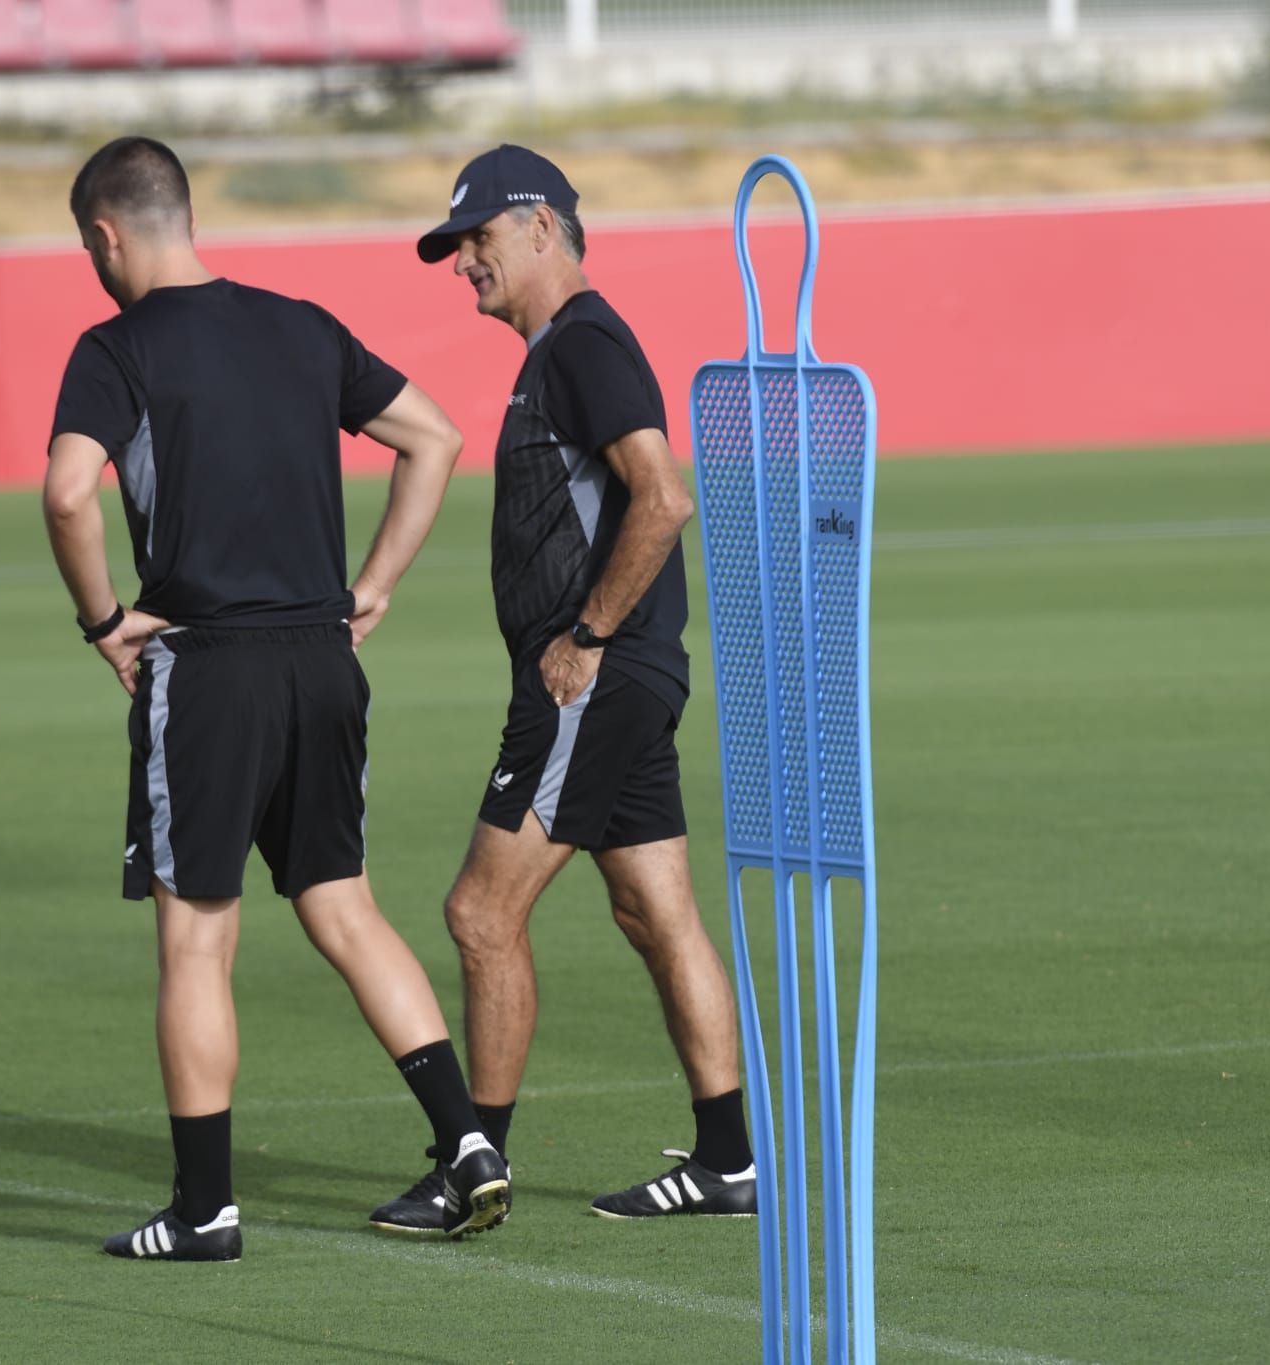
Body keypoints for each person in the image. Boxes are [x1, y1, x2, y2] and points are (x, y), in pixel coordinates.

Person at [42, 135, 509, 1262]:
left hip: (205, 669)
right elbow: (435, 439)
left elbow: (66, 496)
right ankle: (467, 1145)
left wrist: (105, 624)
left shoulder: (115, 347)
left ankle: (205, 1208)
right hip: (320, 661)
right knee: (343, 905)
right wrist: (373, 589)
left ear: (106, 237)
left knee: (196, 943)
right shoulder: (301, 325)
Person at [370, 145, 756, 1231]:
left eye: (476, 241)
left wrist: (586, 635)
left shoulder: (583, 341)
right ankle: (728, 1161)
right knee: (653, 909)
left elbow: (662, 499)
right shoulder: (561, 351)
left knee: (478, 912)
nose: (462, 265)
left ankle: (472, 1161)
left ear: (541, 227)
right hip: (621, 678)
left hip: (593, 677)